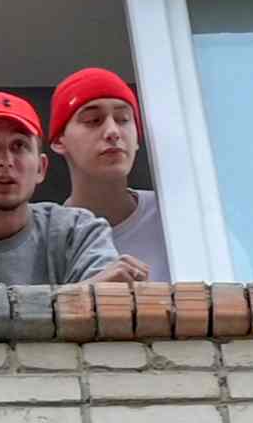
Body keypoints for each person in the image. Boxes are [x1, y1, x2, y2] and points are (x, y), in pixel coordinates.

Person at [0, 93, 127, 291]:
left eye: (19, 145)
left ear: (41, 168)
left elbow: (105, 307)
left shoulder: (76, 230)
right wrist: (79, 292)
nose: (5, 161)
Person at [46, 65, 168, 279]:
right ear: (58, 141)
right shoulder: (47, 238)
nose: (112, 132)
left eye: (123, 119)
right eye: (93, 121)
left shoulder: (175, 216)